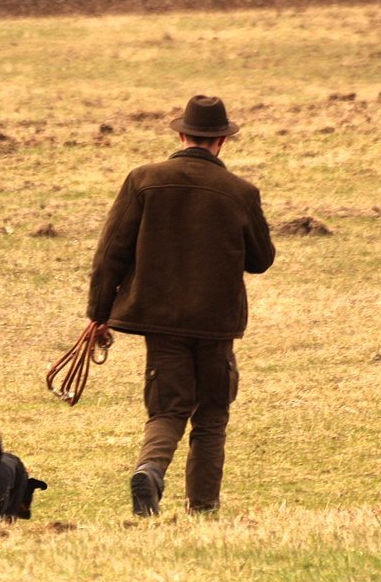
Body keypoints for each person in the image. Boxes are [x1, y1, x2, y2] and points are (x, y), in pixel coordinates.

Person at [87, 94, 275, 516]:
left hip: (161, 322)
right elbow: (261, 260)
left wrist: (99, 315)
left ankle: (151, 471)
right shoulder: (240, 192)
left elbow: (110, 254)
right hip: (216, 323)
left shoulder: (143, 180)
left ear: (182, 133)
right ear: (221, 141)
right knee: (211, 415)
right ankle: (203, 510)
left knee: (167, 408)